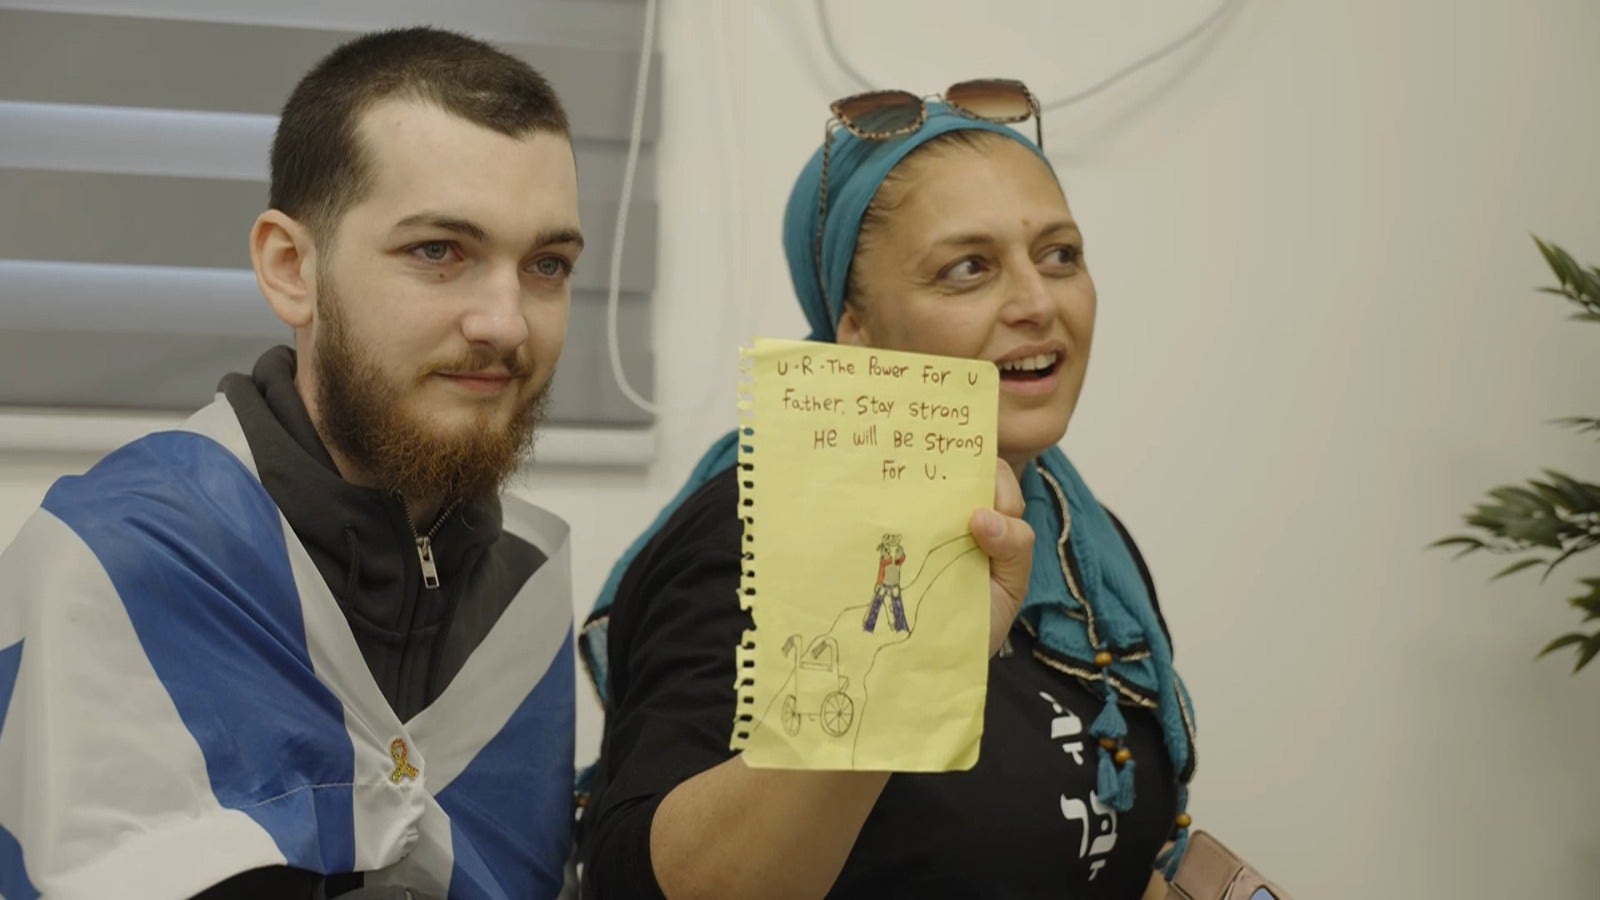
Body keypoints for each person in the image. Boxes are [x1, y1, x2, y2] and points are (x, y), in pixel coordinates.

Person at [0, 28, 584, 899]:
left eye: (546, 265)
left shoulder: (525, 588)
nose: (506, 322)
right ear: (290, 269)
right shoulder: (120, 567)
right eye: (439, 252)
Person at [578, 82, 1198, 898]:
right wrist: (907, 671)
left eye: (1060, 256)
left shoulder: (1087, 549)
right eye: (968, 269)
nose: (1038, 302)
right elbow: (639, 882)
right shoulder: (755, 533)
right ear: (856, 330)